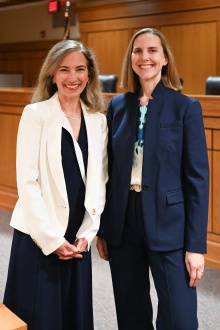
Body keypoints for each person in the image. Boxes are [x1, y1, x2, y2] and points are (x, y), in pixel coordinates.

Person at [97, 28, 209, 330]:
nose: (144, 57)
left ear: (164, 58)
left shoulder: (186, 107)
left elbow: (197, 179)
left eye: (152, 51)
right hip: (124, 221)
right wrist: (104, 228)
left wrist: (196, 246)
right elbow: (108, 172)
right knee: (131, 314)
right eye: (137, 51)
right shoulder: (118, 106)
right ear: (130, 58)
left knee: (180, 320)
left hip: (169, 222)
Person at [3, 39, 108, 330]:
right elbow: (27, 183)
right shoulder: (35, 114)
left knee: (73, 317)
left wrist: (89, 232)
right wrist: (51, 240)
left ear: (89, 75)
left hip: (77, 237)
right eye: (64, 70)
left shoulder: (98, 121)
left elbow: (99, 182)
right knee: (39, 317)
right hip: (39, 236)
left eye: (80, 69)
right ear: (52, 74)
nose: (72, 78)